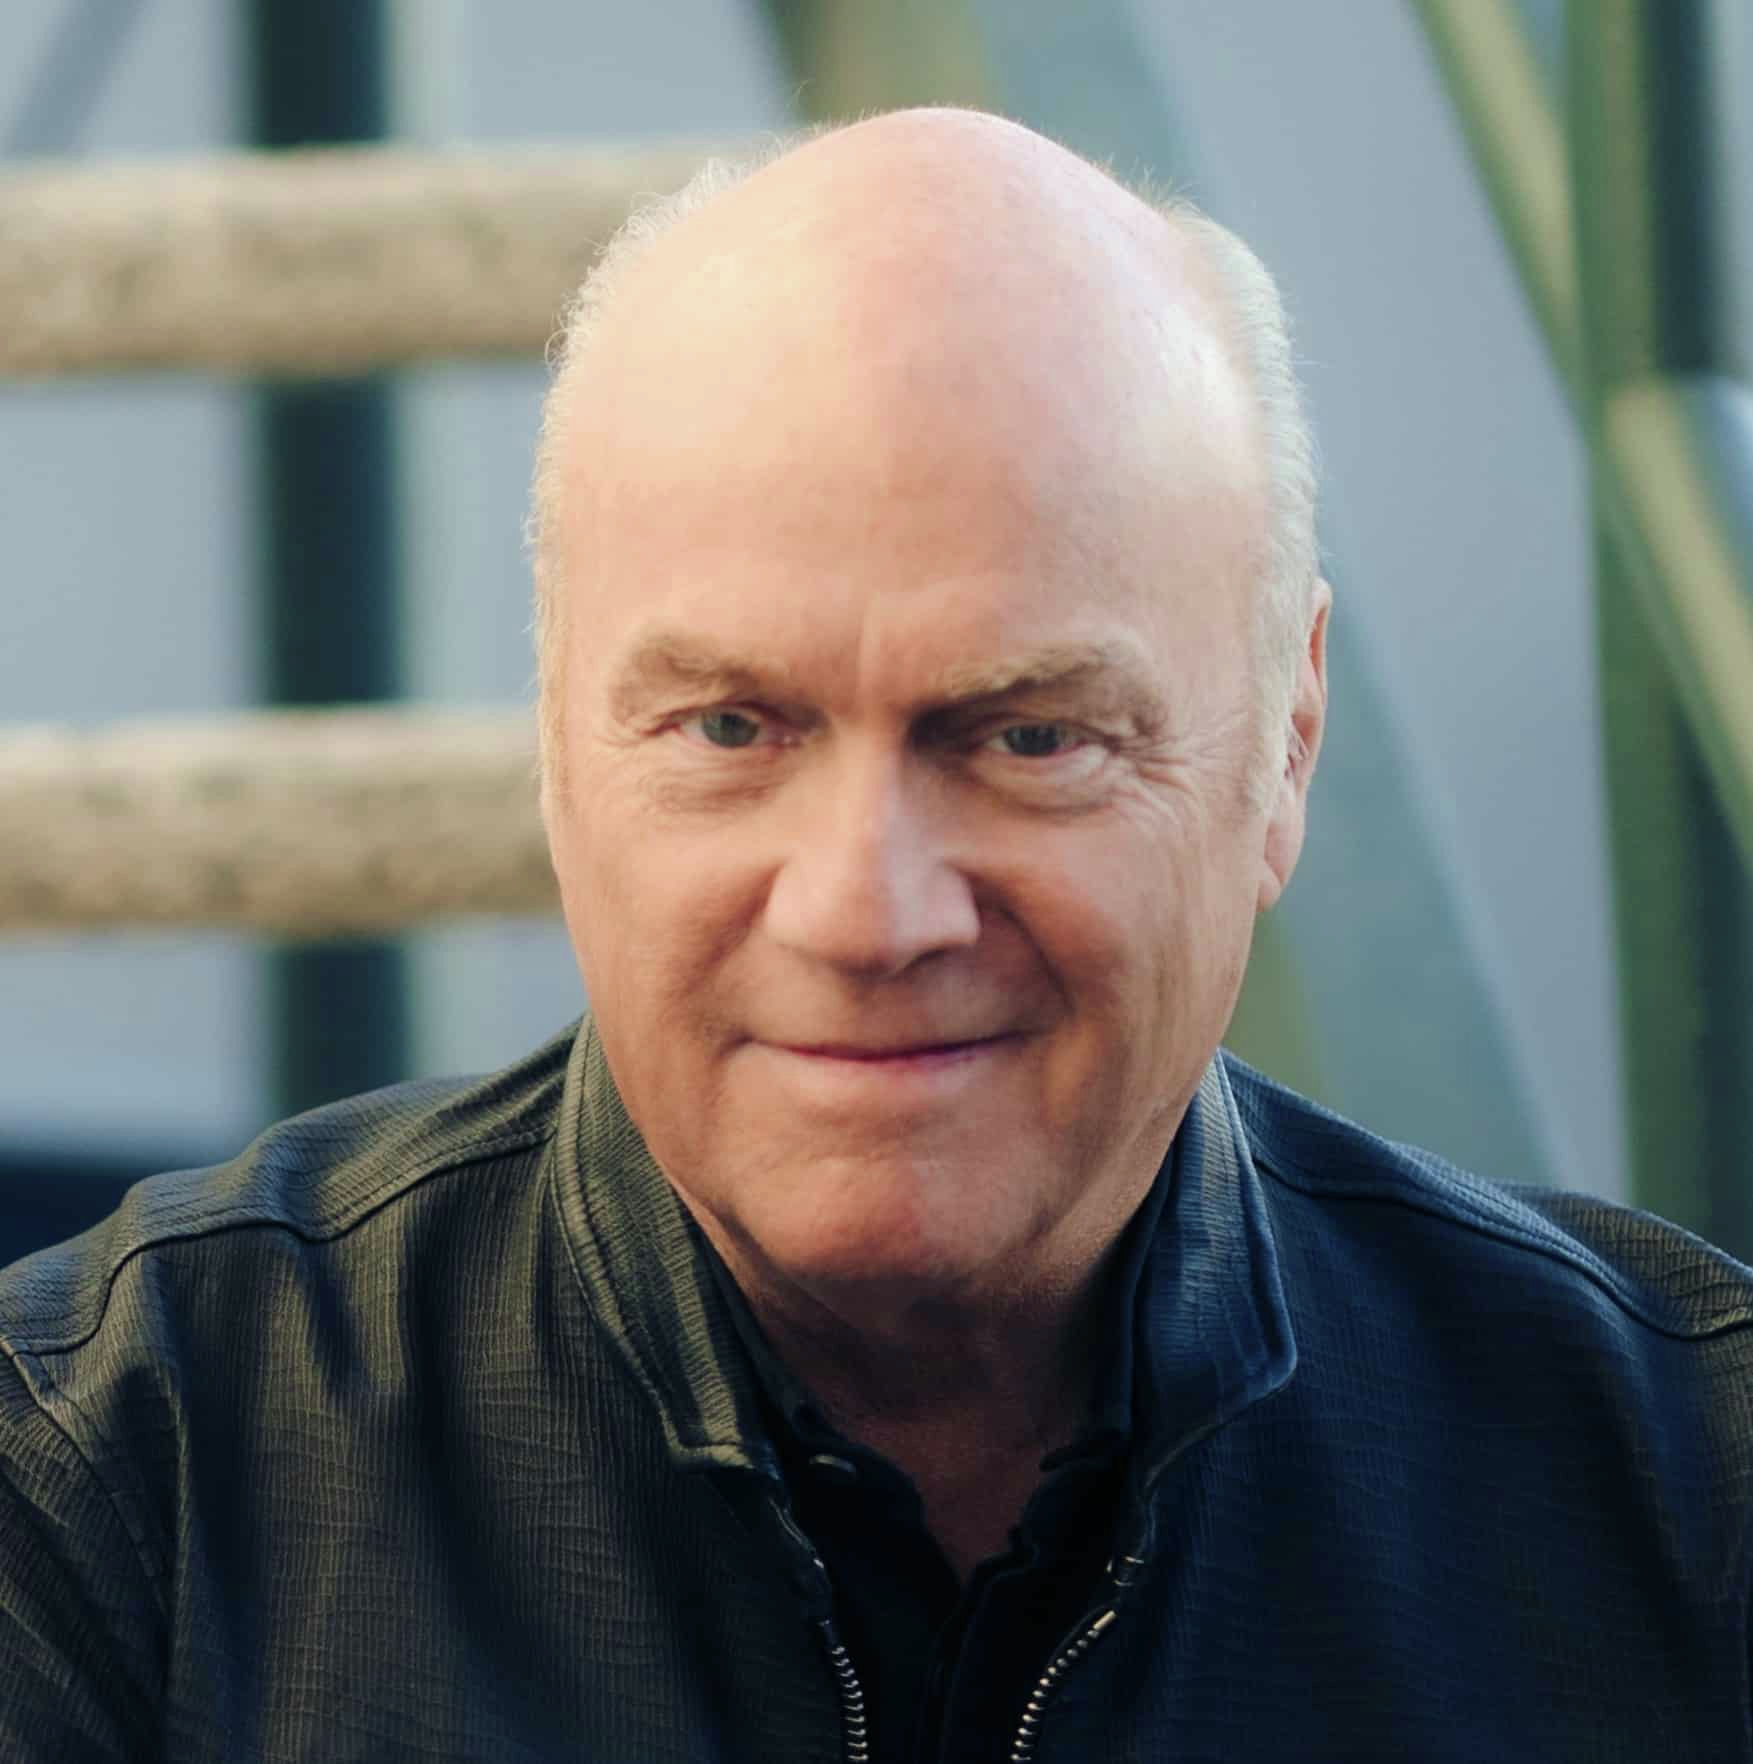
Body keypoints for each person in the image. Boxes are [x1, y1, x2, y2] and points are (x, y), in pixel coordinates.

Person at [2, 107, 1749, 1763]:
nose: (864, 913)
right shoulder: (114, 1492)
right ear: (556, 742)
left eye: (1028, 737)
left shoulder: (1692, 1504)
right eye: (731, 728)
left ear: (1287, 742)